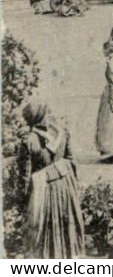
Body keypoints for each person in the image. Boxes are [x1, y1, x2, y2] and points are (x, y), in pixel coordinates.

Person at [20, 101, 85, 259]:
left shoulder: (28, 140)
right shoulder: (61, 131)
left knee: (43, 226)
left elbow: (25, 175)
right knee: (66, 220)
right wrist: (74, 183)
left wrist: (24, 198)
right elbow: (71, 160)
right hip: (65, 183)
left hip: (43, 188)